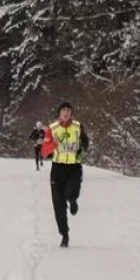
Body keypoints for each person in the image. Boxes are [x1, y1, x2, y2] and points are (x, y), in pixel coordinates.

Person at [40, 101, 89, 247]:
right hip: (57, 169)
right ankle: (64, 234)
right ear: (59, 113)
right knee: (58, 205)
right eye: (63, 110)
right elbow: (44, 151)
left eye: (68, 110)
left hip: (74, 167)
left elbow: (85, 143)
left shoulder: (78, 127)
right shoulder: (52, 128)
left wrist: (82, 153)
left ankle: (72, 200)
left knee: (71, 193)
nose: (66, 113)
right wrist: (53, 144)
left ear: (72, 113)